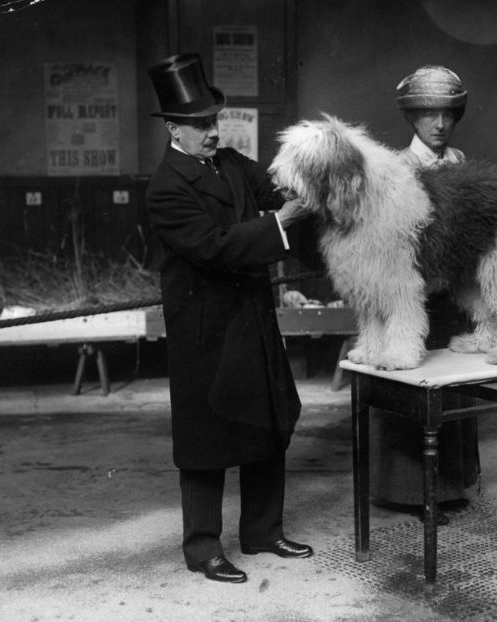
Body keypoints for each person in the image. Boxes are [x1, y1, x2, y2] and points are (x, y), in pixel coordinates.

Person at [145, 53, 314, 583]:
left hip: (251, 320)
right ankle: (202, 547)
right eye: (199, 125)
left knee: (265, 423)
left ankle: (263, 531)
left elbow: (277, 194)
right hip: (205, 334)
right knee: (206, 440)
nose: (212, 132)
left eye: (215, 121)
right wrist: (276, 225)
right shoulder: (167, 187)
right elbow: (215, 247)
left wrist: (301, 191)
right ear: (173, 128)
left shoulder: (235, 165)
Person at [370, 65, 480, 525]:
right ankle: (413, 493)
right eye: (429, 114)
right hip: (410, 292)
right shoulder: (396, 167)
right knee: (414, 392)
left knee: (453, 387)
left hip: (454, 292)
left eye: (448, 114)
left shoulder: (461, 164)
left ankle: (449, 487)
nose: (439, 124)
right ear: (412, 117)